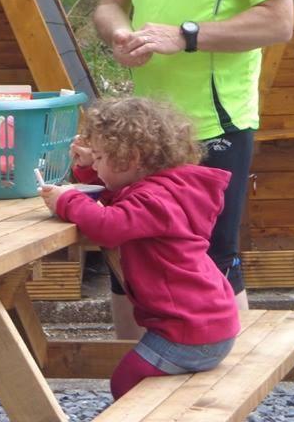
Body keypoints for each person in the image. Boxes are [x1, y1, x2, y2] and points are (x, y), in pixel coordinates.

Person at [93, 0, 294, 331]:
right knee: (128, 261)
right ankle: (134, 407)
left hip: (215, 125)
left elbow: (279, 21)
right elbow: (109, 6)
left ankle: (221, 406)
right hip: (143, 131)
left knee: (212, 264)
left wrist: (185, 36)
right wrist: (121, 35)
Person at [41, 96, 239, 399]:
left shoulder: (153, 200)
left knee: (127, 381)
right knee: (141, 383)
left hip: (187, 331)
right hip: (207, 323)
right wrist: (87, 171)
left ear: (130, 159)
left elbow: (108, 226)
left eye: (99, 158)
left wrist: (66, 199)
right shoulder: (167, 188)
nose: (95, 164)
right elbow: (119, 199)